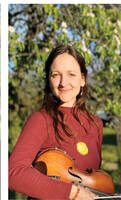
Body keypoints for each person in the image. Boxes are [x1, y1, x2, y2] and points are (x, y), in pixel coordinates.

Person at [9, 45, 103, 200]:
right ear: (48, 80)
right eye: (55, 75)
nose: (63, 82)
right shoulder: (40, 120)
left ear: (83, 79)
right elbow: (13, 173)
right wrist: (71, 192)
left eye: (71, 74)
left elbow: (94, 181)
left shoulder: (96, 124)